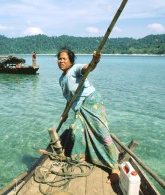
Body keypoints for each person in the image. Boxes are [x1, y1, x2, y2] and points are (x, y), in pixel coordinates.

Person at [57, 47, 120, 183]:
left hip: (91, 101)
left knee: (101, 132)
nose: (61, 61)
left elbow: (87, 68)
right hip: (79, 108)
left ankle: (114, 168)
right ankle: (81, 156)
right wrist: (65, 113)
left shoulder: (75, 69)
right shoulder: (61, 79)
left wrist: (94, 61)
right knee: (75, 130)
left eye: (64, 59)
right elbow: (69, 98)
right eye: (59, 58)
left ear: (70, 61)